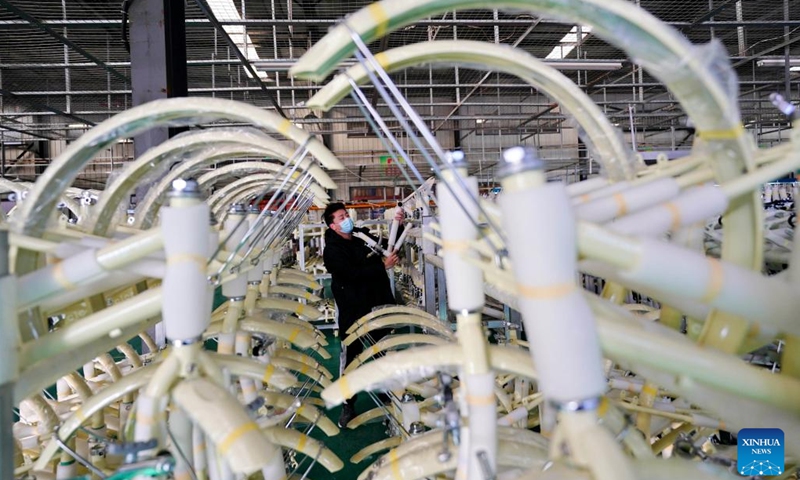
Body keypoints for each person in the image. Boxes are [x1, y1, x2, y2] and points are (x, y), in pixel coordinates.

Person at [322, 202, 404, 427]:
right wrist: (382, 267)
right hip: (353, 309)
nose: (346, 219)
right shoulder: (332, 250)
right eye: (341, 217)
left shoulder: (360, 235)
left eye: (346, 214)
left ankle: (387, 392)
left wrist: (398, 225)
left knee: (382, 350)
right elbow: (350, 274)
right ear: (332, 226)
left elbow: (387, 245)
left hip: (376, 303)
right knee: (351, 357)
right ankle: (348, 403)